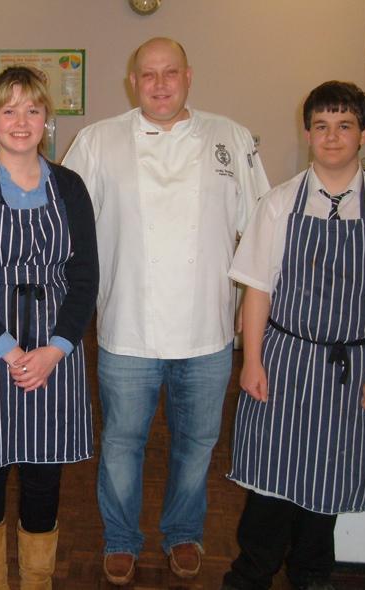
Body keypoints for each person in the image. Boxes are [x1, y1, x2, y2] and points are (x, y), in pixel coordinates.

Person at [62, 37, 271, 584]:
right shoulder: (97, 141)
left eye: (170, 72)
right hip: (127, 328)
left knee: (197, 444)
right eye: (148, 74)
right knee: (122, 444)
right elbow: (66, 233)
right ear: (133, 82)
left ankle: (183, 532)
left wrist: (255, 336)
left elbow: (260, 238)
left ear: (189, 75)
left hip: (208, 332)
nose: (159, 84)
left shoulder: (231, 138)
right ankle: (121, 539)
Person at [222, 81, 365, 590]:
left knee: (325, 493)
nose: (332, 137)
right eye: (322, 126)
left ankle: (310, 578)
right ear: (307, 132)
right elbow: (257, 293)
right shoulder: (279, 204)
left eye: (345, 126)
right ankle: (252, 576)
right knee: (268, 491)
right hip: (283, 363)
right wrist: (251, 361)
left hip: (350, 372)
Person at [0, 66, 99, 589]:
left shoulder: (71, 187)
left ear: (47, 118)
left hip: (56, 349)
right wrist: (11, 352)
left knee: (43, 480)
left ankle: (37, 583)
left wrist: (55, 349)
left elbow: (85, 277)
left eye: (32, 109)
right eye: (9, 110)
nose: (21, 120)